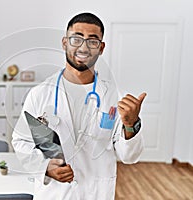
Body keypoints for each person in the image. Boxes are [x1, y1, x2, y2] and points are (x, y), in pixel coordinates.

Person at [12, 12, 147, 200]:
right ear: (64, 43)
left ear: (101, 48)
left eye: (92, 41)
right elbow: (21, 142)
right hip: (53, 194)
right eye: (76, 39)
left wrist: (131, 124)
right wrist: (46, 168)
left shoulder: (114, 97)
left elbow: (129, 157)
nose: (83, 47)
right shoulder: (40, 94)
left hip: (95, 193)